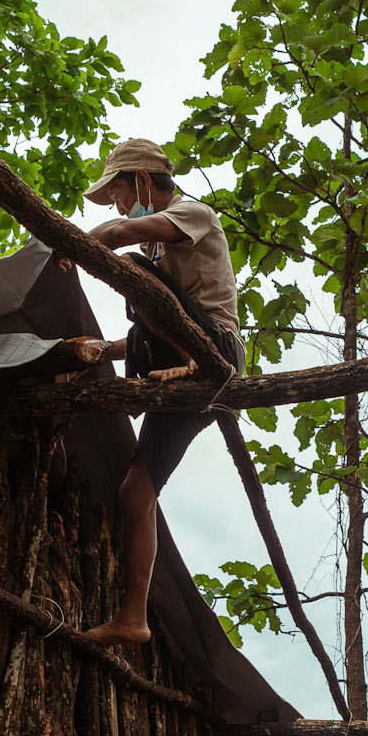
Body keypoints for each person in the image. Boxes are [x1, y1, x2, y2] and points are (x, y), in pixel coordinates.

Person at [78, 137, 244, 647]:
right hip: (183, 364)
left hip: (218, 353)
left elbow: (122, 234)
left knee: (138, 276)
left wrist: (78, 247)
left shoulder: (195, 214)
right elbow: (154, 323)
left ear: (144, 182)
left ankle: (192, 362)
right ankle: (132, 619)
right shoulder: (153, 253)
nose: (121, 207)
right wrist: (103, 350)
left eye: (121, 195)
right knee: (135, 494)